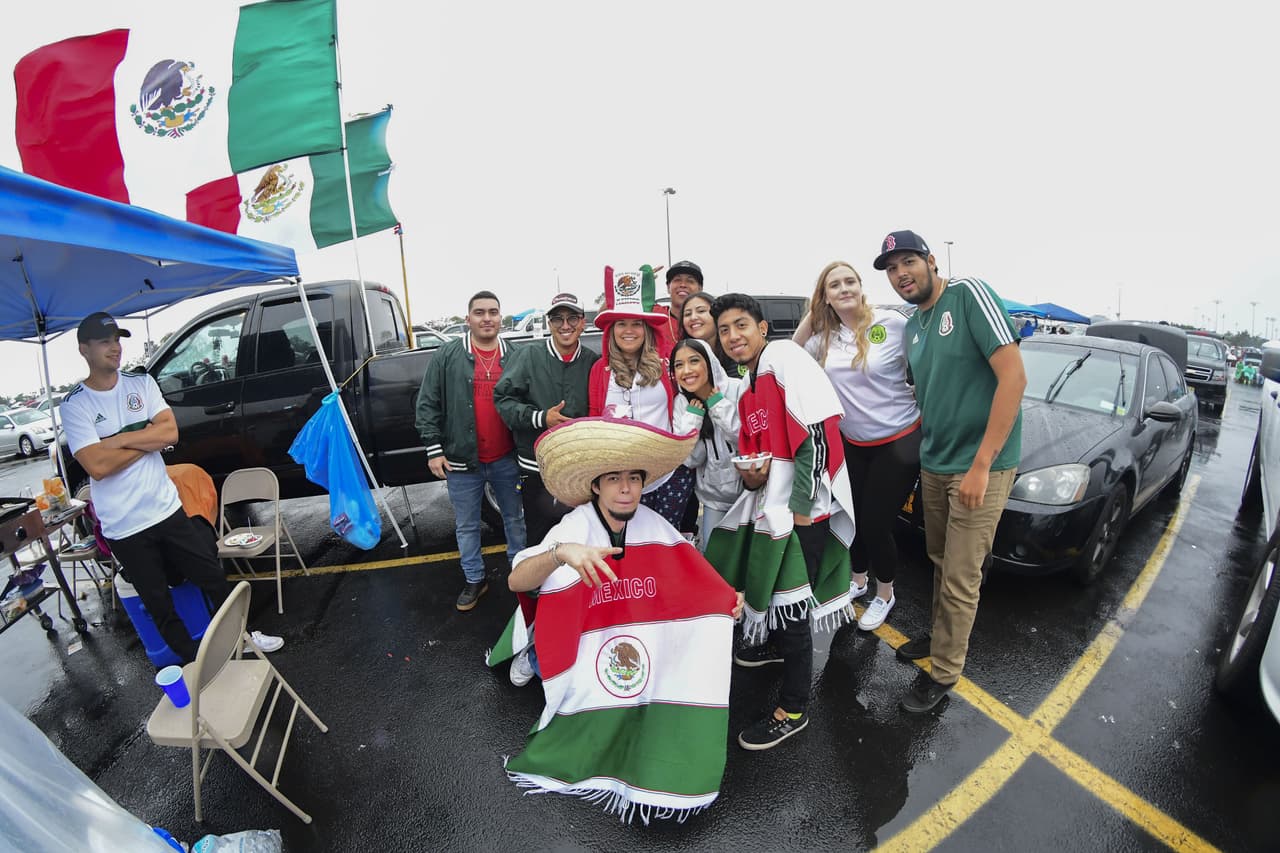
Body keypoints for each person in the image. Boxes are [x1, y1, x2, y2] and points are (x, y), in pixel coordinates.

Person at [498, 418, 743, 818]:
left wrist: (725, 603)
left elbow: (691, 576)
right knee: (566, 666)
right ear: (596, 485)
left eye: (634, 478)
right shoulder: (575, 525)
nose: (626, 488)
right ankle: (535, 653)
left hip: (623, 625)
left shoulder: (653, 523)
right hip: (578, 627)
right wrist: (563, 553)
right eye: (614, 478)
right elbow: (515, 580)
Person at [60, 313, 283, 664]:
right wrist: (145, 439)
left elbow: (170, 434)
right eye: (105, 342)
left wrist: (116, 441)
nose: (115, 348)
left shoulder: (141, 383)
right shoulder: (76, 405)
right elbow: (97, 467)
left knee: (211, 577)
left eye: (117, 340)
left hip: (165, 508)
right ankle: (197, 666)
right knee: (159, 603)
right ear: (84, 349)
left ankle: (245, 637)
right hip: (124, 525)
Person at [874, 230, 1026, 713]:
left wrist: (981, 465)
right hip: (935, 464)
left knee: (961, 575)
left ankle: (944, 672)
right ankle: (941, 638)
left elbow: (1014, 378)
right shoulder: (914, 325)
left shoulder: (968, 296)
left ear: (930, 261)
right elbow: (925, 392)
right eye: (892, 268)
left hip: (979, 466)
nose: (901, 274)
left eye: (907, 262)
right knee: (940, 560)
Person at [706, 293, 856, 750]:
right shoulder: (749, 384)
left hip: (801, 510)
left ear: (763, 328)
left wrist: (804, 507)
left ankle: (793, 708)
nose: (733, 337)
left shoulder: (783, 358)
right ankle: (774, 651)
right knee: (776, 595)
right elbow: (761, 462)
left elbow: (818, 433)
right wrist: (752, 478)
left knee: (793, 609)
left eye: (741, 326)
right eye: (725, 330)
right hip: (773, 508)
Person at [793, 260, 921, 632]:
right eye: (834, 285)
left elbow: (925, 366)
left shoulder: (892, 325)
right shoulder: (825, 337)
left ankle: (885, 594)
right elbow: (784, 358)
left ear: (862, 287)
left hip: (899, 439)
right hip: (852, 442)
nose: (844, 288)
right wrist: (813, 318)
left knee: (875, 523)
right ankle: (859, 580)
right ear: (826, 297)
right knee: (852, 515)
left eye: (850, 281)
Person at [415, 291, 527, 611]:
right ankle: (475, 579)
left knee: (515, 519)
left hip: (507, 458)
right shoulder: (447, 355)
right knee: (466, 525)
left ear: (501, 318)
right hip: (462, 460)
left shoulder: (516, 355)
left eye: (493, 312)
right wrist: (434, 449)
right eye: (479, 312)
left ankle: (521, 572)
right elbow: (427, 404)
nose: (487, 318)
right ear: (468, 319)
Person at [588, 266, 695, 531]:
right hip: (621, 482)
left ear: (646, 328)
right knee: (627, 546)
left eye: (637, 323)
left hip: (669, 475)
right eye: (621, 323)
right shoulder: (599, 371)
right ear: (611, 330)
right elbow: (594, 423)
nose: (629, 330)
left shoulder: (666, 363)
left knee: (666, 544)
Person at [494, 292, 599, 545]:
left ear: (583, 322)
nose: (565, 325)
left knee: (582, 538)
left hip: (579, 471)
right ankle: (538, 585)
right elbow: (503, 401)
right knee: (541, 541)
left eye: (572, 318)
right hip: (537, 467)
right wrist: (541, 418)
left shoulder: (592, 362)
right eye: (558, 319)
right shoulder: (528, 356)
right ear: (549, 323)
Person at [670, 338, 744, 550]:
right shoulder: (682, 403)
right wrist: (694, 419)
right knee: (715, 560)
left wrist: (719, 407)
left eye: (694, 361)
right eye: (679, 365)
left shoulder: (736, 390)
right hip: (713, 499)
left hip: (749, 494)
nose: (687, 370)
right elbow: (691, 460)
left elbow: (745, 442)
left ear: (709, 363)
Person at [653, 259, 704, 357]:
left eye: (690, 281)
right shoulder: (655, 314)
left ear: (700, 289)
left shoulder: (708, 321)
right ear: (668, 287)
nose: (683, 285)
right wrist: (639, 282)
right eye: (677, 280)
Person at [681, 291, 738, 374]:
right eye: (687, 314)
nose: (693, 317)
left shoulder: (735, 348)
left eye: (701, 311)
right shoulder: (680, 355)